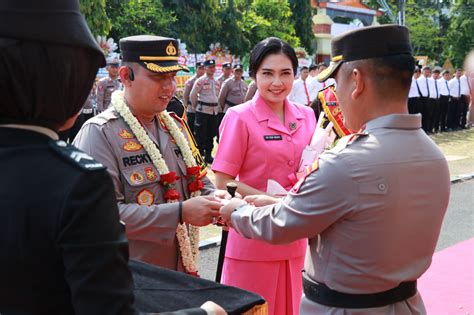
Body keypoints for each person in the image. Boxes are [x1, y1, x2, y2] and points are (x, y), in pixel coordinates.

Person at [220, 25, 450, 314]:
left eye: (336, 82)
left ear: (357, 82)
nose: (334, 95)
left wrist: (236, 211)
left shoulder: (347, 162)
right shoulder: (434, 157)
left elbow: (284, 222)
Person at [74, 36, 227, 275]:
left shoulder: (174, 127)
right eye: (158, 77)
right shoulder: (100, 134)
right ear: (126, 76)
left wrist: (219, 201)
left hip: (182, 275)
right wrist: (179, 213)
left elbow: (200, 182)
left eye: (172, 77)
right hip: (130, 281)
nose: (170, 87)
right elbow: (100, 217)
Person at [212, 37, 317, 315]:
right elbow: (223, 180)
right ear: (254, 75)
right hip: (252, 237)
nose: (277, 83)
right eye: (267, 73)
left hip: (294, 235)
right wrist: (273, 201)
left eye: (285, 73)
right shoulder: (239, 117)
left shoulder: (307, 116)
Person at [190, 59, 221, 164]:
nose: (212, 69)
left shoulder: (217, 81)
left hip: (213, 112)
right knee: (200, 134)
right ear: (206, 68)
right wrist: (195, 107)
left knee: (211, 134)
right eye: (210, 67)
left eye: (213, 67)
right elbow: (192, 95)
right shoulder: (200, 81)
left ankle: (208, 155)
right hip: (202, 111)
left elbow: (217, 96)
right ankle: (200, 155)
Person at [183, 61, 205, 135]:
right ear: (196, 69)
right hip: (192, 110)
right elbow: (185, 96)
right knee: (191, 131)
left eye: (203, 68)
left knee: (201, 131)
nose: (202, 70)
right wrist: (187, 107)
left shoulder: (206, 80)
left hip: (203, 110)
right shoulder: (191, 81)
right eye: (200, 68)